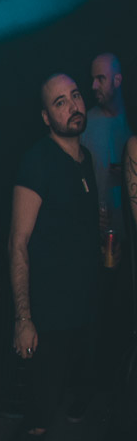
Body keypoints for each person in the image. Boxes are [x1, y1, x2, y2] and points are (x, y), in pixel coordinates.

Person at [0, 74, 99, 441]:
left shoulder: (84, 158)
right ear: (46, 117)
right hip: (46, 315)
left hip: (78, 312)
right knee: (38, 414)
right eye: (60, 102)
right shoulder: (37, 161)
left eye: (75, 96)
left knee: (49, 410)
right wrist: (23, 318)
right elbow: (18, 242)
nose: (72, 106)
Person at [77, 52, 130, 419]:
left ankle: (116, 392)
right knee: (90, 314)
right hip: (92, 235)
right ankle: (83, 392)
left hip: (126, 236)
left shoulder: (128, 122)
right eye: (92, 78)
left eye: (100, 79)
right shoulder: (89, 123)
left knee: (119, 314)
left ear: (118, 81)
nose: (93, 85)